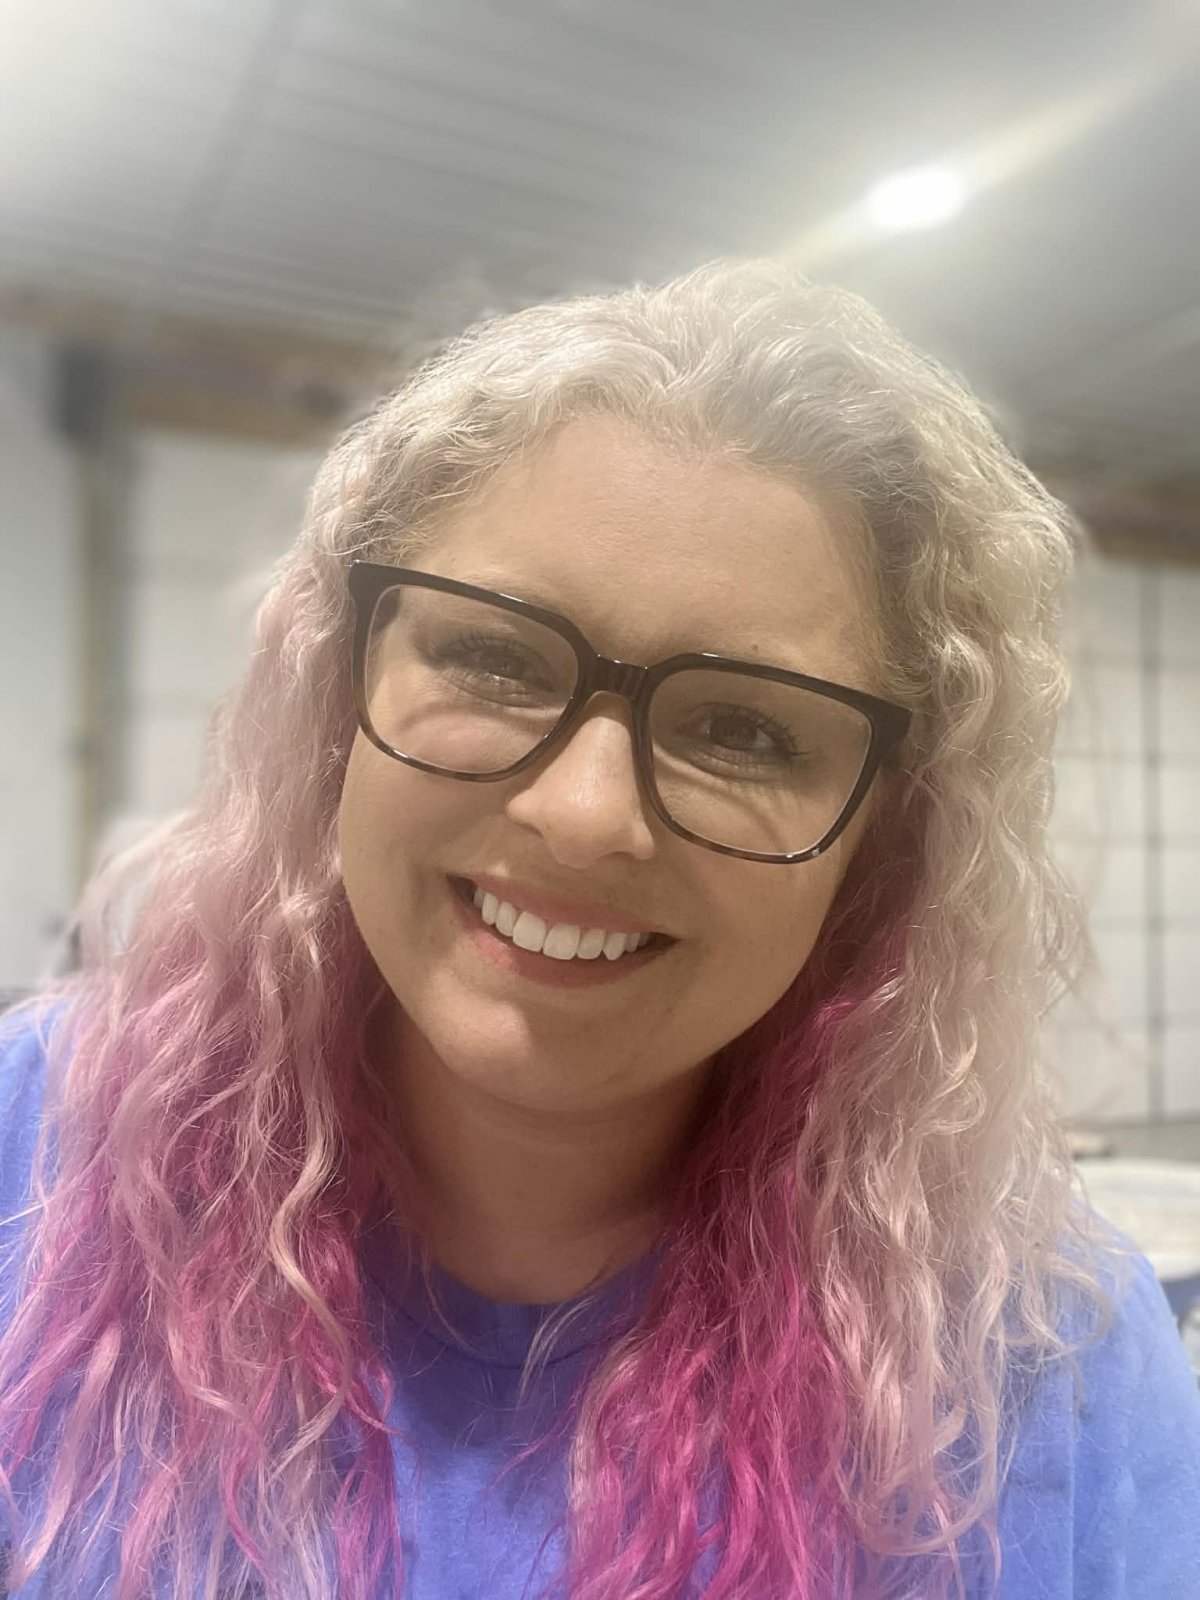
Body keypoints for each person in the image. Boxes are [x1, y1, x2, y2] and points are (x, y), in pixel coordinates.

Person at [0, 260, 1197, 1600]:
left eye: (744, 730)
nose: (582, 815)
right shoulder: (39, 1152)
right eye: (496, 657)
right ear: (339, 688)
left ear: (884, 837)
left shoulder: (1040, 1361)